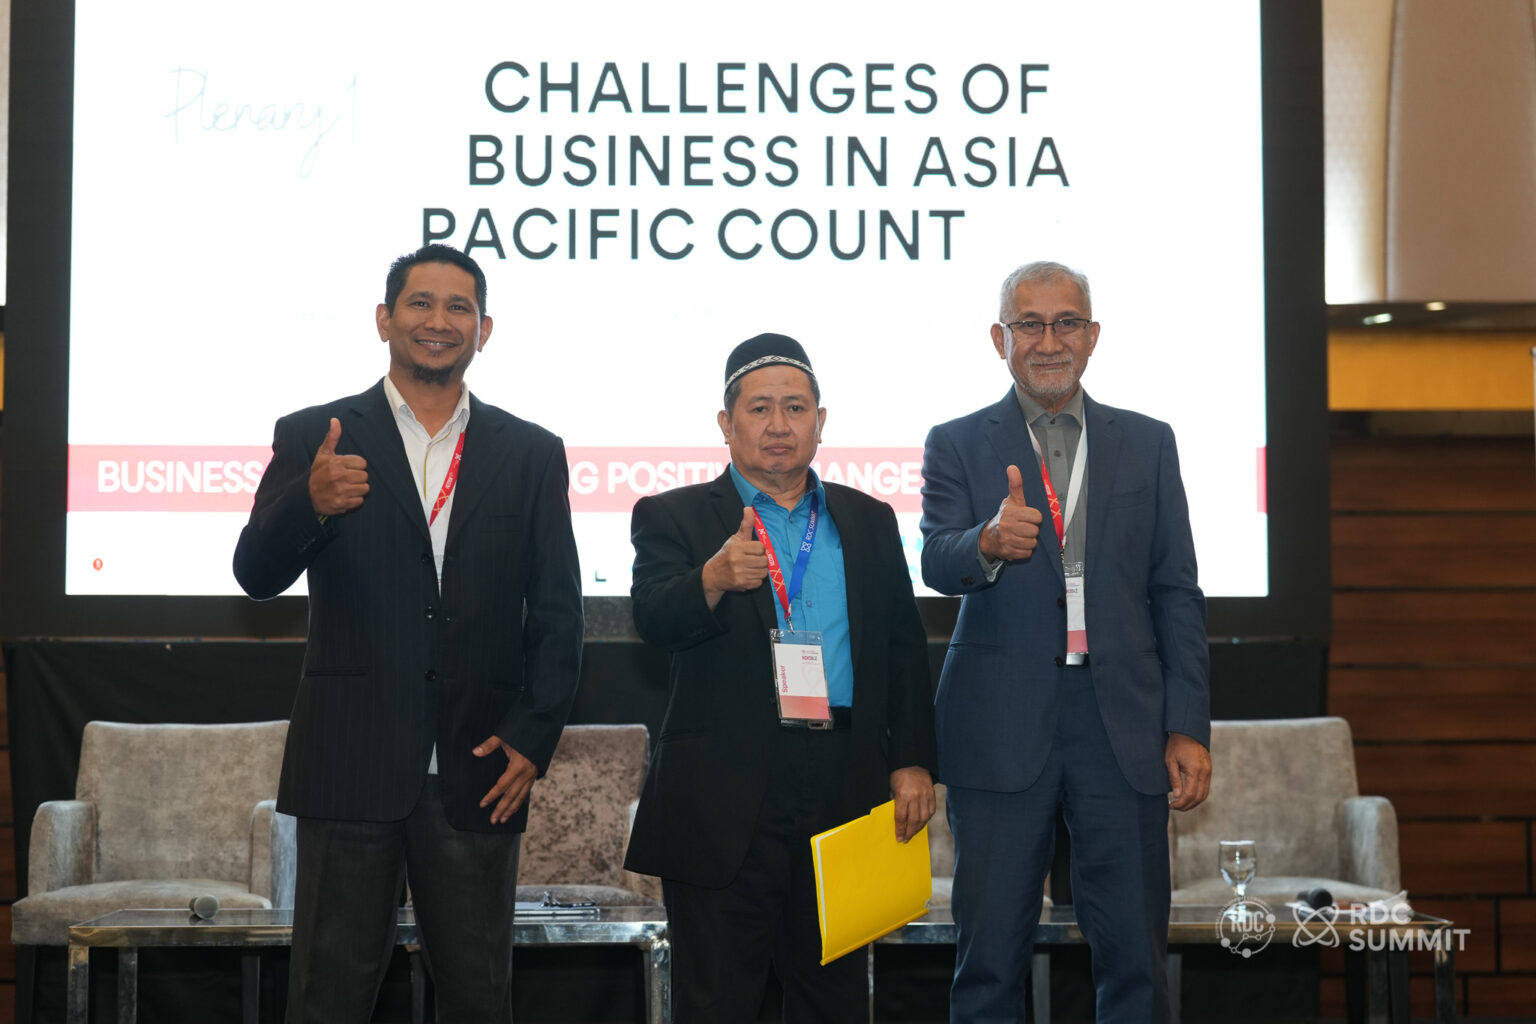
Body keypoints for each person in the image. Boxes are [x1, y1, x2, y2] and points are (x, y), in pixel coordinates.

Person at [233, 243, 583, 1023]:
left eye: (459, 307)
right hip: (349, 762)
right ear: (385, 319)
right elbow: (255, 573)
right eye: (420, 303)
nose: (439, 321)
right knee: (328, 997)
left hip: (478, 766)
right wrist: (309, 503)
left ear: (483, 330)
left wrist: (533, 738)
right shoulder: (316, 435)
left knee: (479, 997)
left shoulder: (531, 452)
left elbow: (559, 613)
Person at [919, 261, 1212, 1023]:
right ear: (1000, 339)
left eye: (1066, 323)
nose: (1049, 341)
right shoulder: (956, 441)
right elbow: (936, 560)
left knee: (1135, 962)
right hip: (999, 723)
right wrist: (985, 541)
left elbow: (1176, 588)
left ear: (1093, 335)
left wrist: (1186, 723)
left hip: (1122, 725)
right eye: (1029, 325)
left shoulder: (1148, 442)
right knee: (988, 963)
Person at [623, 333, 938, 1023]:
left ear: (820, 422)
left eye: (795, 408)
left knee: (834, 999)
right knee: (716, 1001)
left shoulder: (868, 519)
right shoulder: (673, 515)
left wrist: (912, 759)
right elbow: (652, 618)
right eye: (759, 408)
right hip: (724, 792)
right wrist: (710, 579)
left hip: (845, 782)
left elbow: (902, 648)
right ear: (726, 423)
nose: (778, 425)